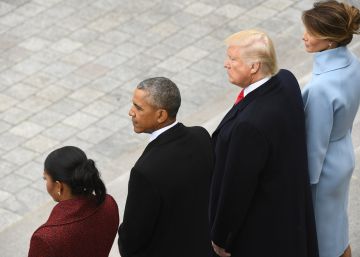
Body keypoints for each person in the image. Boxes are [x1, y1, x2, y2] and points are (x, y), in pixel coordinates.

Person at [209, 29, 319, 257]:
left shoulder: (248, 126)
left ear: (254, 66)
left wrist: (221, 237)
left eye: (233, 59)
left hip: (261, 229)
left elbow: (237, 186)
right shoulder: (286, 80)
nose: (225, 64)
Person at [118, 77, 213, 257]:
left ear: (161, 115)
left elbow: (132, 237)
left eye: (138, 108)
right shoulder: (201, 136)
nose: (131, 112)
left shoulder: (145, 172)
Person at [301, 1, 360, 257]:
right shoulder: (353, 62)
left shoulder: (320, 87)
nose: (304, 36)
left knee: (324, 243)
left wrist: (304, 186)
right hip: (343, 154)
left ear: (329, 41)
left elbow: (314, 146)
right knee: (336, 229)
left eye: (311, 32)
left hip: (323, 170)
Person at [28, 146, 119, 257]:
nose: (46, 183)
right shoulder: (109, 204)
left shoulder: (45, 239)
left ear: (58, 186)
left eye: (46, 179)